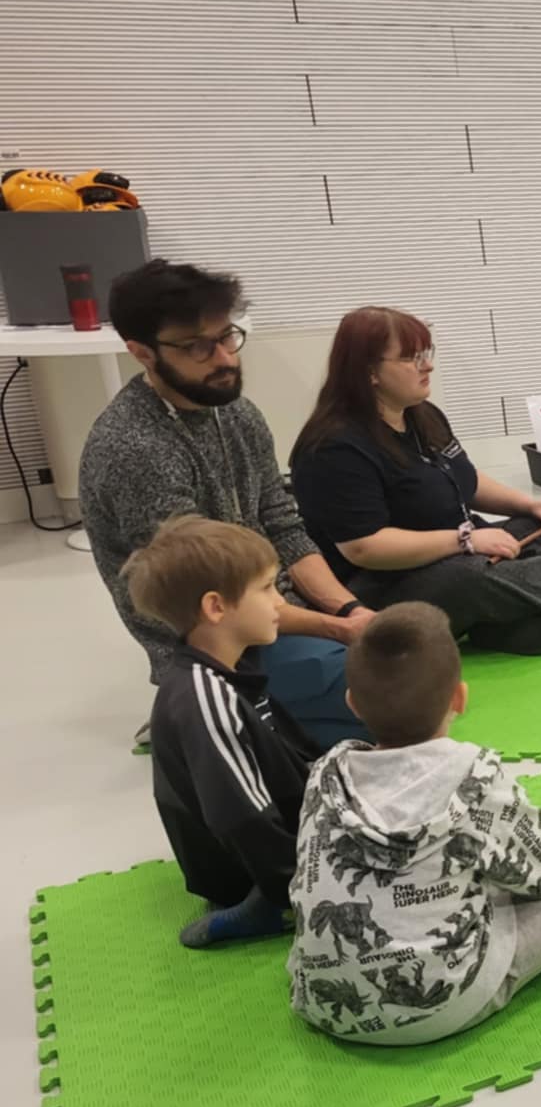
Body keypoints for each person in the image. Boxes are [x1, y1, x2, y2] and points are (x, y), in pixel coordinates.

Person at [288, 603, 541, 1045]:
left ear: (351, 702)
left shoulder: (326, 774)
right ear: (460, 698)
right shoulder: (474, 776)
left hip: (321, 1001)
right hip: (441, 1008)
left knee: (462, 870)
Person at [79, 259, 372, 748]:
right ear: (142, 352)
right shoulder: (134, 447)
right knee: (384, 695)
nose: (224, 358)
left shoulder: (235, 412)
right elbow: (206, 594)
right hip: (215, 639)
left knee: (410, 651)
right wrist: (339, 630)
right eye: (197, 346)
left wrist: (351, 609)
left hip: (274, 608)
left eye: (226, 337)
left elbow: (283, 524)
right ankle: (199, 707)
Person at [289, 306, 541, 655]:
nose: (428, 366)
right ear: (369, 372)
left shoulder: (423, 415)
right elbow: (364, 548)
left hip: (459, 551)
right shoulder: (334, 447)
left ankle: (504, 627)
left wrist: (527, 505)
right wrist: (465, 541)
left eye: (427, 353)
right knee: (474, 575)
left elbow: (466, 481)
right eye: (411, 358)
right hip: (386, 585)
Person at [123, 516, 316, 948]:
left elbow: (286, 748)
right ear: (216, 607)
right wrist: (298, 887)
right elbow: (242, 817)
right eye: (267, 588)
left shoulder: (230, 667)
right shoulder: (204, 697)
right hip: (251, 873)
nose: (279, 601)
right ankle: (264, 909)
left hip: (282, 833)